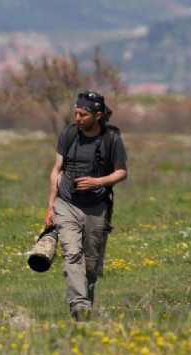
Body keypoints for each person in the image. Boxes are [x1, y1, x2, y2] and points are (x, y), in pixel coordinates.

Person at [44, 91, 128, 321]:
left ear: (98, 115)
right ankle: (79, 307)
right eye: (76, 113)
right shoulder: (69, 134)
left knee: (90, 266)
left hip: (97, 208)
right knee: (72, 254)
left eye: (83, 114)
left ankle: (84, 312)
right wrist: (51, 207)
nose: (78, 118)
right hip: (67, 204)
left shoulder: (112, 139)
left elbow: (121, 172)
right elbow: (56, 171)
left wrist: (97, 182)